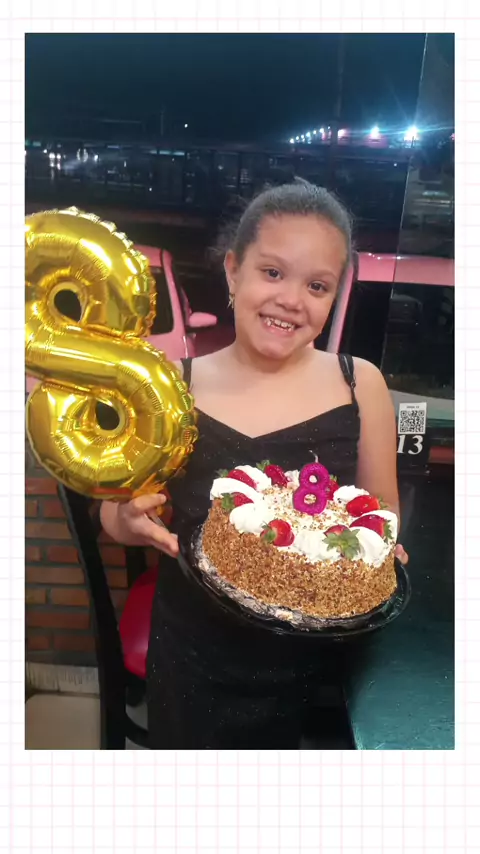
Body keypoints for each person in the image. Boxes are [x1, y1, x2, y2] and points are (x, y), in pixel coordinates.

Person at [100, 179, 409, 749]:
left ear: (335, 296)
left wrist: (382, 545)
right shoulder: (172, 388)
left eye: (316, 285)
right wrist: (125, 518)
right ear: (232, 271)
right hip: (196, 654)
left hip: (321, 662)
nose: (292, 299)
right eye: (272, 272)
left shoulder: (359, 383)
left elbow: (382, 509)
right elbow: (117, 515)